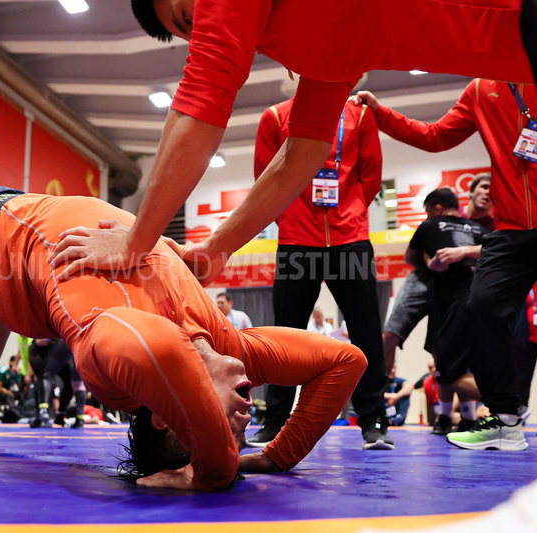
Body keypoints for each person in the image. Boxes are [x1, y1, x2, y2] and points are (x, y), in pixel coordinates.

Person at [0, 184, 366, 493]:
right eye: (240, 432)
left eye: (228, 427)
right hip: (16, 255)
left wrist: (215, 468)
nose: (246, 417)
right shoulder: (227, 347)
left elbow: (159, 353)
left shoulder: (112, 351)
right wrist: (274, 455)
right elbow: (345, 359)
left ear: (166, 414)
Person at [49, 0, 534, 296]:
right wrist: (216, 250)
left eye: (190, 15)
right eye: (190, 31)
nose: (204, 28)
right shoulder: (321, 38)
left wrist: (136, 242)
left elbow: (201, 99)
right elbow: (303, 151)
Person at [355, 81, 537, 449]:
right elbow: (436, 136)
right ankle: (505, 419)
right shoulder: (482, 89)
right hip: (511, 232)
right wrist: (380, 112)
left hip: (505, 236)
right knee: (481, 307)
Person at [247, 97, 389, 450]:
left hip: (350, 240)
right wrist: (291, 217)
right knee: (285, 336)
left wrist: (352, 211)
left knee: (366, 331)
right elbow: (266, 177)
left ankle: (373, 420)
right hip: (297, 241)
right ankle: (275, 421)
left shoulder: (360, 115)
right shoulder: (275, 116)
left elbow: (371, 173)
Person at [381, 174, 494, 372]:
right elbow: (414, 254)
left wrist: (463, 252)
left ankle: (452, 387)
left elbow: (496, 251)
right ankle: (381, 390)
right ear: (471, 192)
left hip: (460, 288)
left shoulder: (489, 228)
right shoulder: (435, 222)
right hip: (429, 280)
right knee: (392, 334)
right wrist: (430, 262)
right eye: (483, 187)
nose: (487, 193)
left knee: (444, 350)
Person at [405, 188, 490, 436]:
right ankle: (465, 417)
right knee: (457, 364)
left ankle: (508, 402)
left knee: (444, 365)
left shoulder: (430, 225)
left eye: (427, 211)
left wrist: (431, 260)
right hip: (474, 300)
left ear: (437, 208)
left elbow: (410, 257)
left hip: (450, 303)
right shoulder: (480, 230)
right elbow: (497, 253)